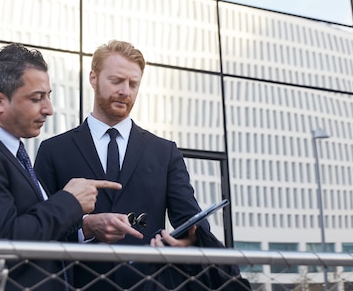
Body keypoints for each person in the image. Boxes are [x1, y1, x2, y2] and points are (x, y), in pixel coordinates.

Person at [35, 40, 248, 291]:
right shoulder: (54, 150)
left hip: (149, 284)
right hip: (77, 284)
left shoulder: (164, 151)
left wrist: (188, 241)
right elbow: (39, 225)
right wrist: (86, 226)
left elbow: (191, 219)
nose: (126, 91)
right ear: (93, 78)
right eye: (116, 81)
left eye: (133, 84)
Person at [0, 43, 121, 291]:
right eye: (37, 98)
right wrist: (70, 201)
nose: (49, 109)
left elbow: (32, 228)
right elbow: (7, 241)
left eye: (48, 96)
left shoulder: (11, 154)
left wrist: (86, 226)